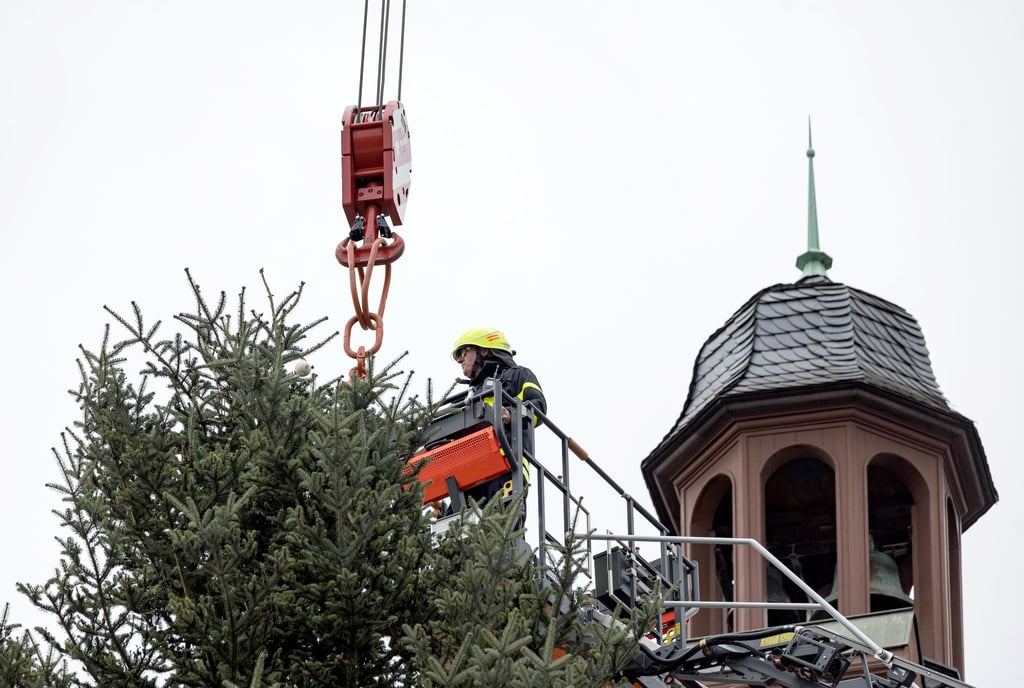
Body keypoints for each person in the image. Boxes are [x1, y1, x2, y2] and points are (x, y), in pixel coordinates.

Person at [450, 327, 546, 507]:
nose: (460, 360)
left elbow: (538, 409)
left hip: (508, 464)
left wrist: (511, 415)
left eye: (463, 352)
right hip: (470, 473)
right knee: (455, 527)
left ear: (484, 350)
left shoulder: (518, 375)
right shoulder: (470, 393)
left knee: (504, 527)